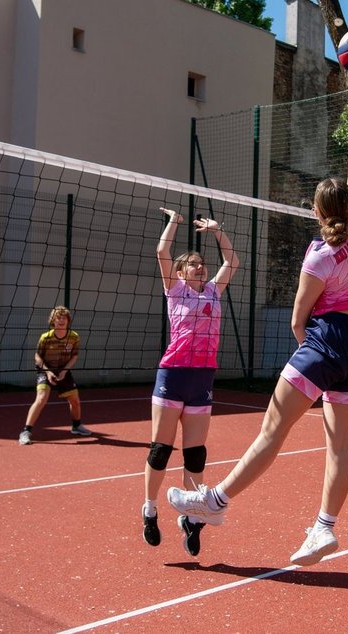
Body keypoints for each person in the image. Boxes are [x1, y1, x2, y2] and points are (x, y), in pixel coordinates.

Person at [168, 82, 348, 566]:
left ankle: (214, 503)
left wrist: (309, 362)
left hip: (327, 341)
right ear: (347, 207)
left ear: (317, 213)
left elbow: (299, 319)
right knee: (340, 446)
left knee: (272, 431)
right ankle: (325, 528)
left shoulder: (318, 255)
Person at [141, 207, 239, 557]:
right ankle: (150, 509)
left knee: (195, 455)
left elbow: (233, 260)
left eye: (202, 263)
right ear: (181, 272)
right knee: (161, 450)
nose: (201, 266)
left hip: (203, 377)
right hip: (174, 374)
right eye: (194, 263)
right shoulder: (175, 290)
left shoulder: (213, 291)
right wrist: (173, 222)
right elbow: (161, 253)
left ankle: (191, 517)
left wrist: (217, 231)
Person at [19, 306, 88, 445]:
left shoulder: (74, 337)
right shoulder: (46, 337)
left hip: (63, 370)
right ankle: (25, 431)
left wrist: (64, 371)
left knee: (75, 401)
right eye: (58, 317)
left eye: (64, 318)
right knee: (41, 398)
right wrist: (48, 372)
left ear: (68, 321)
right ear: (53, 321)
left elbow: (74, 356)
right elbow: (37, 356)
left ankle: (76, 426)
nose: (61, 320)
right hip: (45, 370)